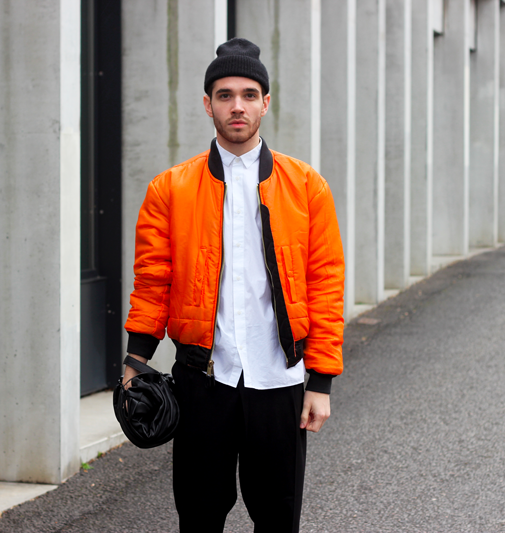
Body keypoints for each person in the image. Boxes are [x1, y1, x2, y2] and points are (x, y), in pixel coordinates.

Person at [122, 37, 345, 533]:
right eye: (225, 95)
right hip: (203, 381)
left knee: (278, 517)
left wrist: (321, 381)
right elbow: (153, 281)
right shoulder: (170, 189)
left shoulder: (307, 186)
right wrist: (135, 363)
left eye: (249, 94)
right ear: (208, 105)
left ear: (266, 102)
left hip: (279, 380)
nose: (237, 106)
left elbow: (326, 284)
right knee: (199, 517)